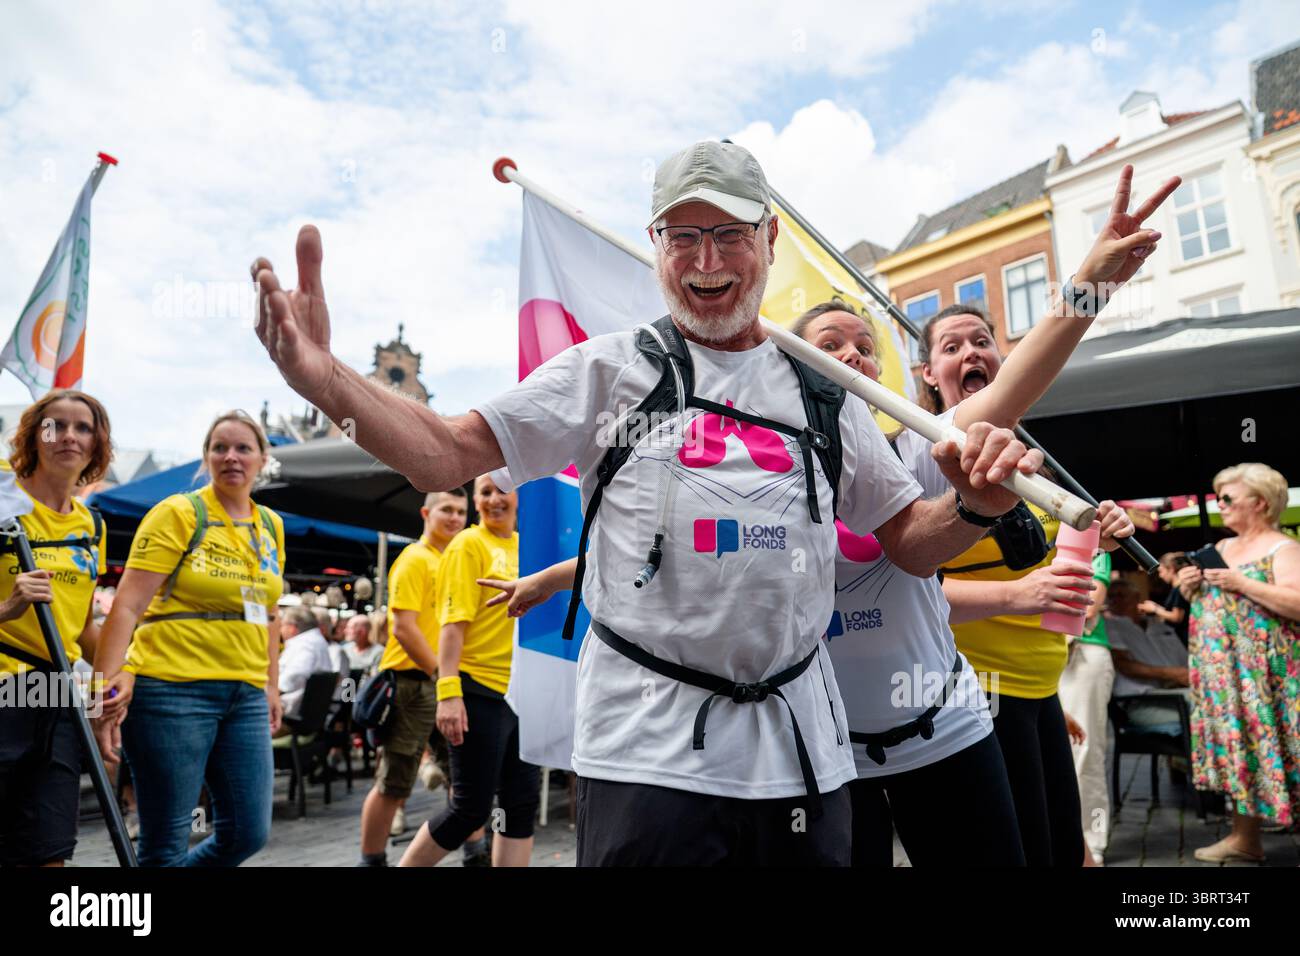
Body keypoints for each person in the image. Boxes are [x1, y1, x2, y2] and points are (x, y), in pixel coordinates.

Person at [252, 140, 1058, 866]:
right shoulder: (608, 372)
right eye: (683, 236)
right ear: (656, 248)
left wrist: (973, 510)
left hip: (803, 754)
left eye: (730, 233)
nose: (706, 259)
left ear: (769, 240)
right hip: (648, 757)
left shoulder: (827, 392)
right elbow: (447, 452)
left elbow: (909, 544)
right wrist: (325, 380)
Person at [913, 162, 1175, 866]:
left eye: (981, 340)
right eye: (951, 345)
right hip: (976, 693)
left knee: (1064, 851)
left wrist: (1100, 531)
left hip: (1040, 683)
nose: (971, 351)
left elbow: (1068, 571)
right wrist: (1093, 281)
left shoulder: (1033, 453)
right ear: (926, 378)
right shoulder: (924, 445)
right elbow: (909, 587)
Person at [93, 410, 286, 867]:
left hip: (246, 693)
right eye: (220, 447)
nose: (231, 457)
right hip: (171, 690)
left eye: (243, 448)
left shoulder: (271, 526)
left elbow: (271, 612)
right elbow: (125, 605)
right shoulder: (180, 512)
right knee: (165, 844)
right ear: (206, 458)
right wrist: (103, 691)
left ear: (262, 459)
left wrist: (272, 684)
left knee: (247, 833)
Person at [397, 474, 535, 867]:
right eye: (485, 492)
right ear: (476, 501)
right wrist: (449, 692)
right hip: (479, 690)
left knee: (520, 806)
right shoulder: (468, 544)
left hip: (523, 691)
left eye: (502, 489)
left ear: (518, 496)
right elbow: (452, 626)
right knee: (470, 809)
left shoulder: (528, 547)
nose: (494, 499)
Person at [0, 391, 112, 867]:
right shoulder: (4, 503)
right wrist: (9, 605)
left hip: (58, 693)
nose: (68, 435)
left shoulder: (92, 526)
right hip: (6, 687)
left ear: (96, 444)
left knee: (52, 850)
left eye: (82, 427)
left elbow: (83, 628)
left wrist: (114, 680)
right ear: (34, 435)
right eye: (55, 425)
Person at [1177, 462, 1299, 863]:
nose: (1220, 505)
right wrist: (1189, 586)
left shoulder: (1284, 548)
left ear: (1261, 503)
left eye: (1228, 497)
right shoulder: (1223, 549)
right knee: (1239, 748)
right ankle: (1244, 838)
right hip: (1224, 676)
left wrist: (1242, 582)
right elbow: (1210, 604)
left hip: (1268, 676)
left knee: (1283, 744)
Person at [357, 488, 467, 866]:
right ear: (426, 513)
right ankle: (371, 860)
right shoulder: (414, 559)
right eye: (447, 510)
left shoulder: (452, 559)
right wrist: (442, 674)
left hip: (442, 683)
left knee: (464, 779)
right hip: (413, 684)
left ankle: (476, 853)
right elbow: (402, 628)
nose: (455, 518)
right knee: (394, 782)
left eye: (461, 512)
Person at [1058, 548, 1116, 865]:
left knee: (1085, 753)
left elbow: (1090, 606)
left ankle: (1091, 844)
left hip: (1082, 653)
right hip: (1038, 655)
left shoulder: (1091, 543)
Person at [277, 604, 337, 722]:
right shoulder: (315, 641)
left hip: (289, 717)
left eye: (282, 625)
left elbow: (294, 675)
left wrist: (274, 691)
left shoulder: (305, 645)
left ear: (292, 628)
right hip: (307, 717)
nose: (280, 630)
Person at [1139, 552, 1190, 645]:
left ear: (1171, 569)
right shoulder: (1176, 589)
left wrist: (1155, 609)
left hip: (1183, 639)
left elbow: (1177, 617)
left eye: (1161, 571)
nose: (1160, 575)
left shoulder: (1179, 589)